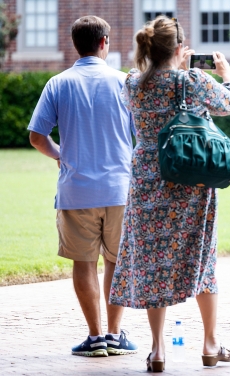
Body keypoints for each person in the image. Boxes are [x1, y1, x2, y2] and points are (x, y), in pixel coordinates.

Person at [107, 16, 230, 371]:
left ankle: (157, 350)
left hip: (146, 182)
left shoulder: (132, 83)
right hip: (189, 181)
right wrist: (226, 73)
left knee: (155, 262)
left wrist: (174, 67)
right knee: (202, 259)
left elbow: (151, 97)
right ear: (180, 48)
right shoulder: (193, 80)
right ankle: (211, 344)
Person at [27, 16, 138, 356]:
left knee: (83, 263)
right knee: (117, 261)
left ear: (75, 44)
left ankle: (95, 337)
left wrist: (60, 154)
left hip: (76, 191)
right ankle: (116, 334)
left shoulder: (58, 84)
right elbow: (144, 134)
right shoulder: (126, 83)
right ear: (105, 42)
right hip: (121, 188)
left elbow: (36, 137)